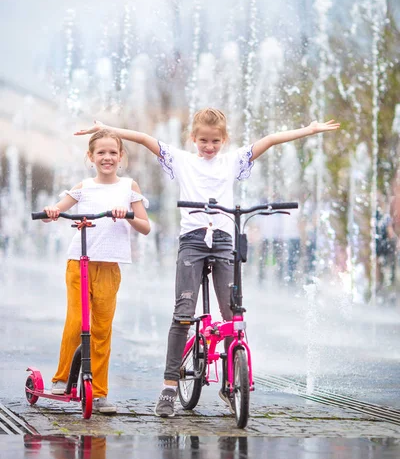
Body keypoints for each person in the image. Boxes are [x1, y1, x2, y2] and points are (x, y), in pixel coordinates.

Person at [75, 108, 340, 417]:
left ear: (224, 140)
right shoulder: (183, 160)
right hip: (193, 240)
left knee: (232, 316)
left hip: (225, 238)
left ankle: (231, 383)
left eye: (215, 141)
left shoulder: (233, 161)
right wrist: (109, 128)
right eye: (203, 141)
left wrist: (308, 130)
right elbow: (147, 140)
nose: (209, 146)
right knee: (183, 313)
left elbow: (269, 140)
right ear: (193, 138)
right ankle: (169, 388)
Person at [42, 130, 150, 414]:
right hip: (79, 262)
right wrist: (52, 211)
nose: (107, 157)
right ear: (90, 157)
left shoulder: (129, 187)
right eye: (101, 152)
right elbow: (56, 209)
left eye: (113, 152)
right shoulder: (84, 186)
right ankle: (62, 377)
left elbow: (145, 226)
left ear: (121, 157)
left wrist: (126, 214)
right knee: (78, 322)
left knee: (101, 329)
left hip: (109, 266)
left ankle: (99, 393)